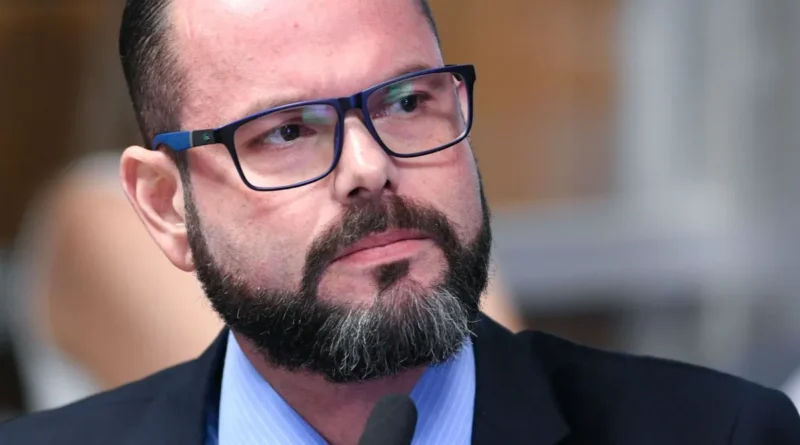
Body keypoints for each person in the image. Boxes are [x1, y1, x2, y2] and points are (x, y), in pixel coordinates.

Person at [2, 0, 798, 444]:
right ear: (167, 206)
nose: (369, 165)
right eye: (288, 130)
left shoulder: (723, 432)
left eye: (408, 101)